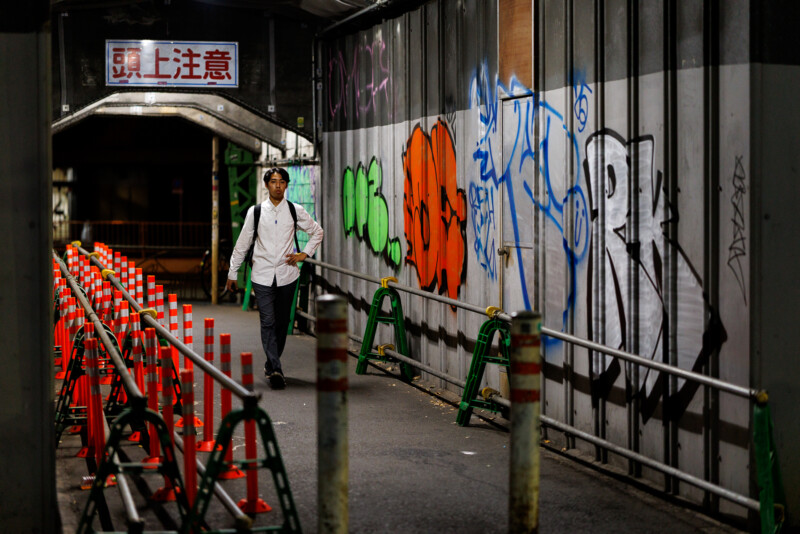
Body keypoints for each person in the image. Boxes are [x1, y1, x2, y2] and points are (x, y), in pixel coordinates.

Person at [226, 167, 323, 389]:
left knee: (281, 323)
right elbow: (243, 244)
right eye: (273, 181)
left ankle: (271, 364)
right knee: (267, 321)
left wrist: (304, 254)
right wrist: (233, 272)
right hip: (261, 275)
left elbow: (317, 232)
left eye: (281, 181)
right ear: (267, 185)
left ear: (286, 185)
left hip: (288, 276)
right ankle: (277, 369)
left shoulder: (295, 210)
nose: (277, 185)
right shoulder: (256, 212)